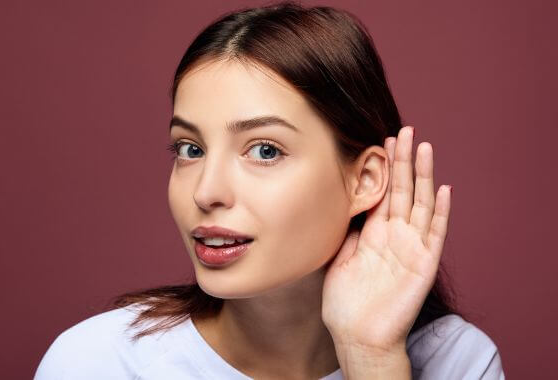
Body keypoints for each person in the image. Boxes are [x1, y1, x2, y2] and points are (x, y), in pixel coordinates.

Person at [34, 1, 504, 379]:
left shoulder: (456, 363)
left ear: (364, 180)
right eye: (190, 149)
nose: (206, 192)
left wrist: (372, 358)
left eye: (264, 151)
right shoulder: (98, 363)